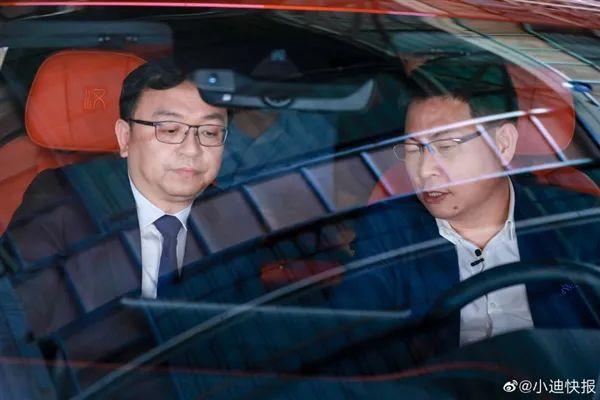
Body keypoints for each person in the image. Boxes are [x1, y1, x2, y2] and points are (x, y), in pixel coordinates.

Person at [329, 59, 600, 359]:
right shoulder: (390, 228)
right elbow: (349, 342)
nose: (424, 170)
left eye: (446, 146)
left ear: (503, 145)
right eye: (412, 149)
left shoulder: (576, 221)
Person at [0, 60, 229, 339]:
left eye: (210, 132)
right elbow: (14, 322)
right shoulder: (64, 201)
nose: (192, 149)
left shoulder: (237, 209)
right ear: (125, 137)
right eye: (170, 130)